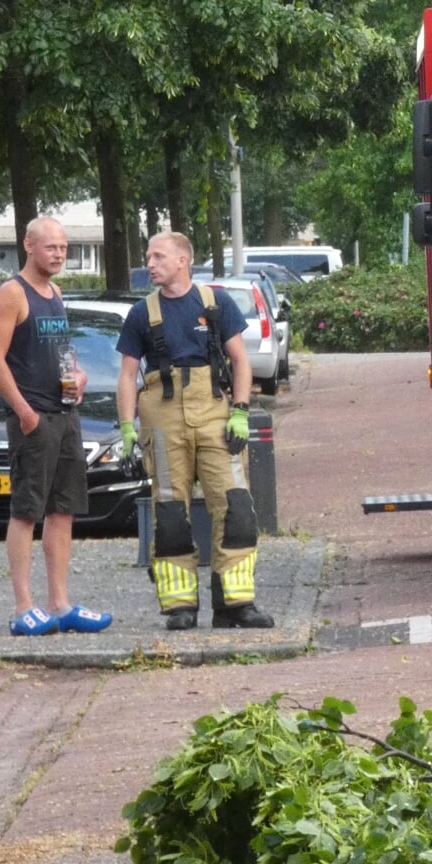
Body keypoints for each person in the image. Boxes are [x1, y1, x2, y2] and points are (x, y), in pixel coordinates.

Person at [115, 232, 274, 631]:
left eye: (158, 256)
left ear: (183, 260)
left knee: (236, 506)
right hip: (163, 420)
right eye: (148, 256)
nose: (149, 263)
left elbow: (240, 361)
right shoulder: (140, 314)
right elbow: (127, 375)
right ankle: (179, 606)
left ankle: (235, 604)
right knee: (170, 514)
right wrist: (127, 429)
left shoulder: (215, 304)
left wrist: (240, 412)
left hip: (215, 415)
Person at [0, 218, 113, 636]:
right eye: (51, 247)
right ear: (29, 246)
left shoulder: (55, 294)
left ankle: (60, 603)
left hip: (66, 414)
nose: (58, 254)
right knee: (26, 511)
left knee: (63, 509)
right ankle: (24, 606)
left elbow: (60, 353)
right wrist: (23, 411)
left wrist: (80, 375)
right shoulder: (11, 294)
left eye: (64, 247)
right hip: (33, 419)